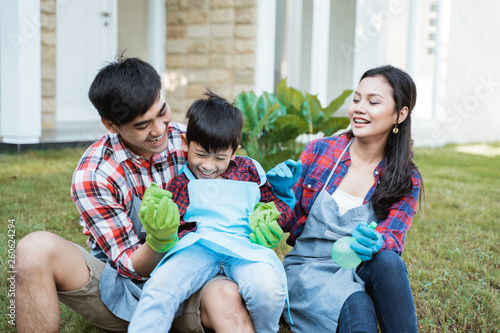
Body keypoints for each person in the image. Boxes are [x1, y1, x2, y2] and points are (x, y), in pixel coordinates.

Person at [14, 57, 256, 333]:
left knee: (227, 297)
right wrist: (160, 240)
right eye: (142, 125)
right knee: (33, 249)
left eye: (162, 112)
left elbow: (234, 183)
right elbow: (131, 265)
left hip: (194, 281)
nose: (159, 130)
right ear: (111, 125)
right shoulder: (96, 174)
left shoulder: (190, 142)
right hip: (120, 289)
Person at [128, 90, 301, 333]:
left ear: (235, 150)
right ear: (187, 144)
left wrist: (275, 209)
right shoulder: (181, 183)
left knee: (267, 289)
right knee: (161, 286)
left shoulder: (250, 171)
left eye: (220, 157)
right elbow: (172, 226)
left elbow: (278, 210)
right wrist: (161, 226)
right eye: (200, 154)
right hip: (197, 247)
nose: (208, 166)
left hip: (245, 248)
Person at [282, 65, 423, 333]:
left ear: (400, 114)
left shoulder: (406, 177)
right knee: (358, 307)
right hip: (310, 269)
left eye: (373, 102)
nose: (359, 108)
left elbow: (393, 237)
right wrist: (278, 195)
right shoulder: (319, 152)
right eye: (357, 99)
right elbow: (289, 219)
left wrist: (378, 240)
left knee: (388, 261)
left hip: (360, 268)